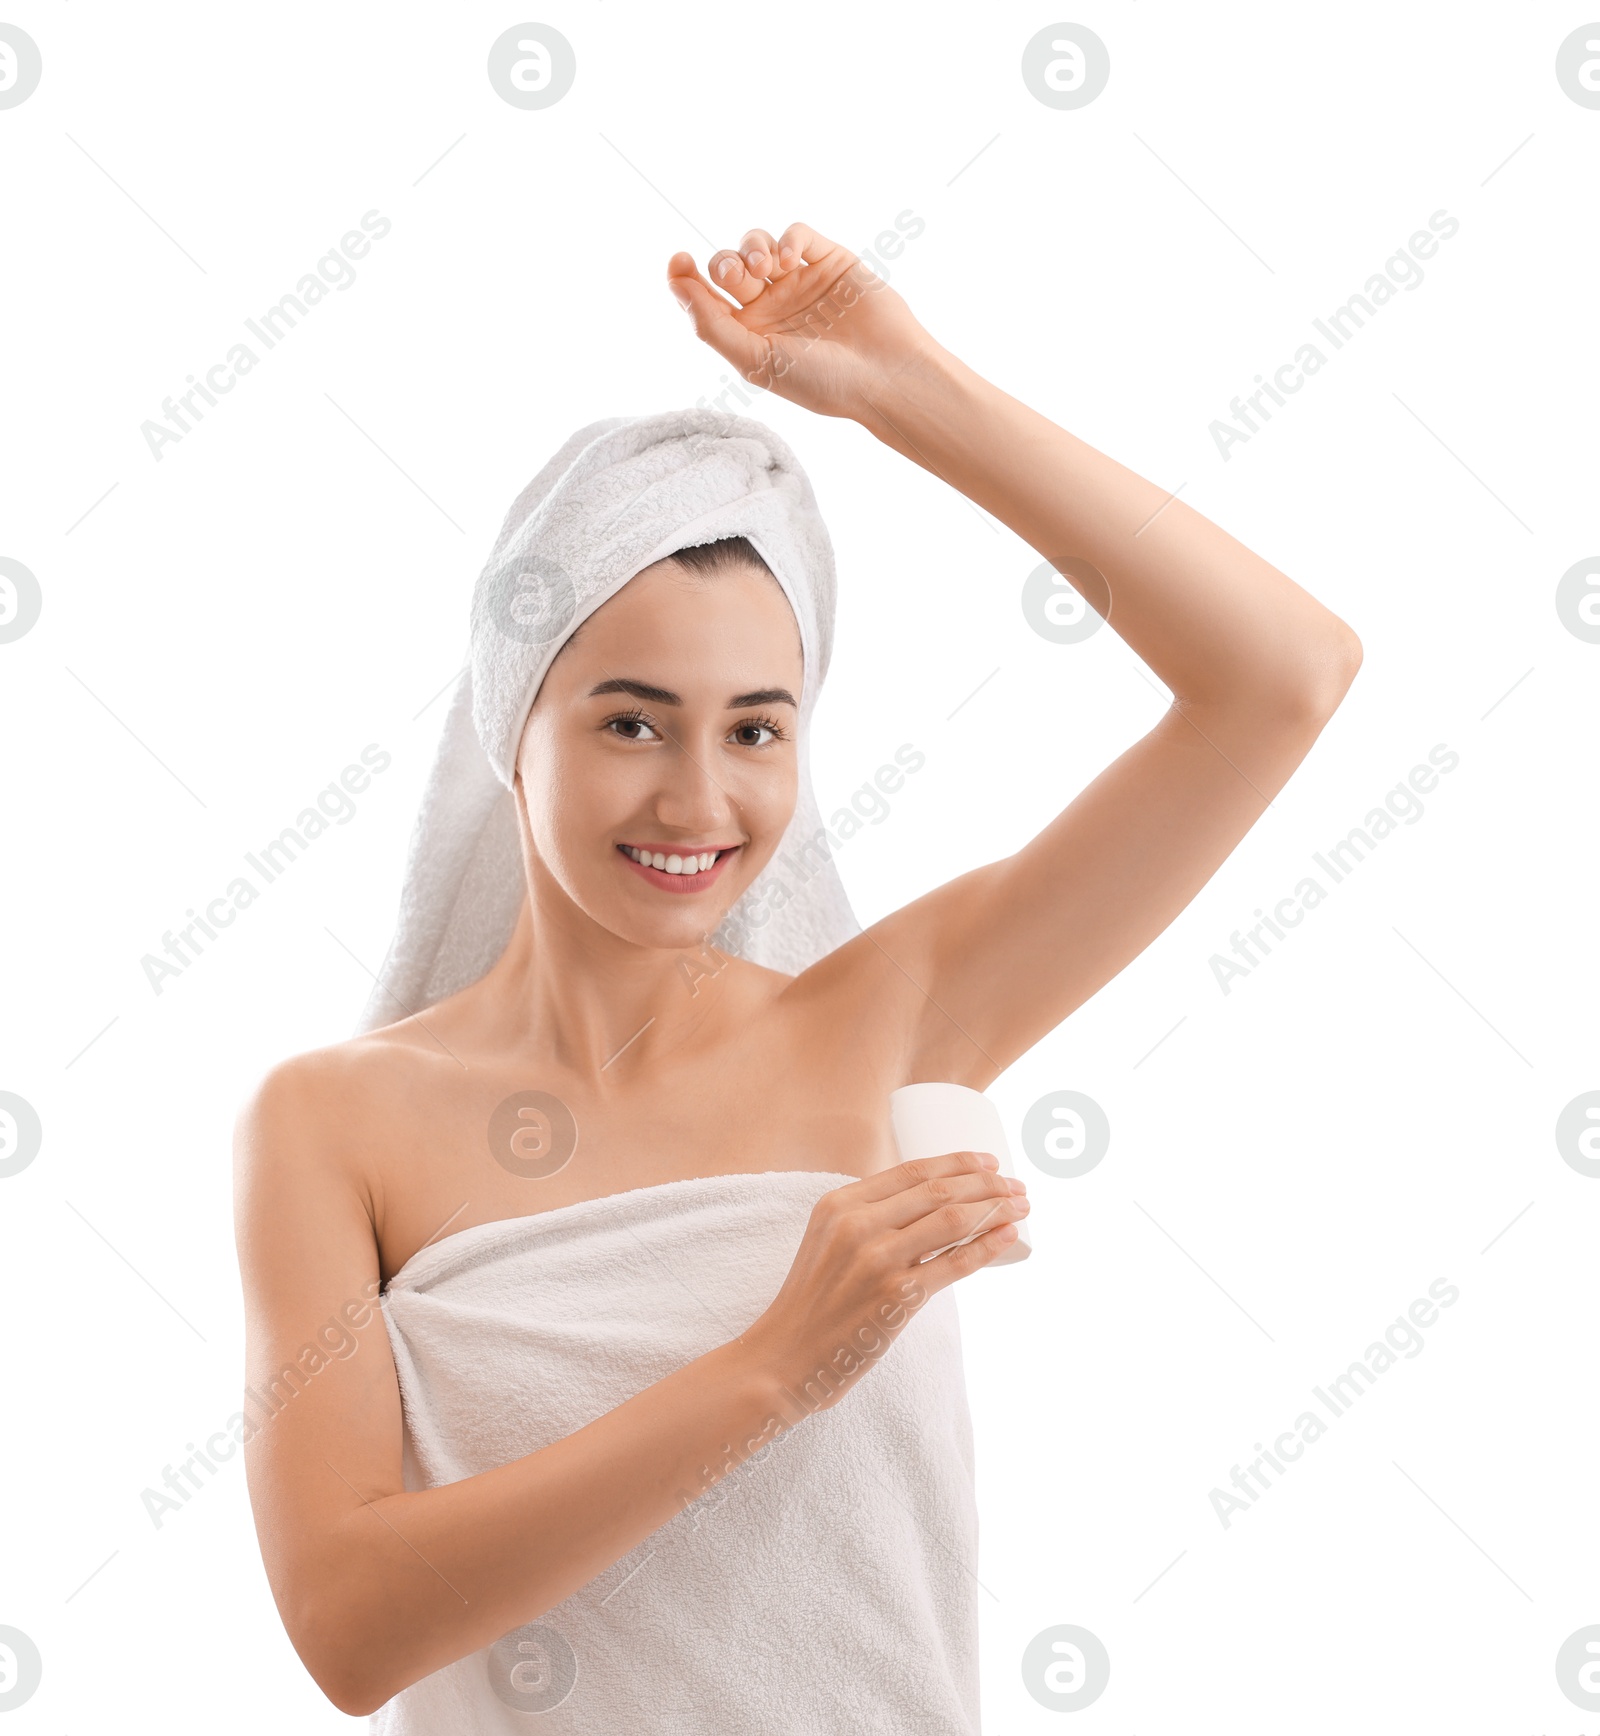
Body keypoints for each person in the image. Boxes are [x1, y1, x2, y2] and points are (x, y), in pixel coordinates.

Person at [234, 220, 1361, 1728]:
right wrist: (775, 1365)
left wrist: (905, 389)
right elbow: (348, 1624)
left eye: (756, 730)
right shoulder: (335, 1126)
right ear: (516, 727)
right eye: (632, 723)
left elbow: (1282, 676)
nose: (701, 803)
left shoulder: (895, 1019)